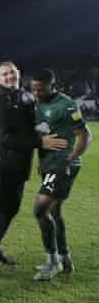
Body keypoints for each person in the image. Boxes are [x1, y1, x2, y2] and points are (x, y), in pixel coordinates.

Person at [0, 62, 67, 276]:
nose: (9, 76)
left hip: (19, 167)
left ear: (19, 75)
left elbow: (33, 127)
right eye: (4, 73)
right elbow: (2, 137)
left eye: (12, 72)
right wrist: (39, 142)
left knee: (10, 210)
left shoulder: (24, 98)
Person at [30, 69, 92, 280]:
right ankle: (65, 258)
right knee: (54, 212)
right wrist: (41, 162)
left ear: (52, 86)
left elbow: (85, 136)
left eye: (41, 89)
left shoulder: (66, 104)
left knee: (40, 211)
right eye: (33, 89)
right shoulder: (37, 104)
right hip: (49, 165)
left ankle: (52, 261)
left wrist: (68, 160)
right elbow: (42, 136)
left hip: (63, 165)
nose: (36, 93)